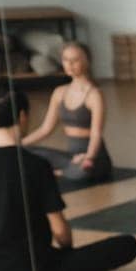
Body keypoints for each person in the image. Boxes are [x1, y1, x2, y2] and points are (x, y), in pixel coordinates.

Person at [0, 86, 136, 271]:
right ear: (22, 116)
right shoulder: (35, 165)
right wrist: (69, 254)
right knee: (128, 244)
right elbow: (60, 230)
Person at [19, 41, 113, 183]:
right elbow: (45, 129)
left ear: (87, 61)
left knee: (84, 169)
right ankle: (61, 171)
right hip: (70, 157)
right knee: (22, 153)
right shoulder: (59, 92)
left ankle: (59, 172)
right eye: (65, 60)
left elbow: (96, 133)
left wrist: (89, 156)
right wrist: (17, 144)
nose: (69, 64)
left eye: (75, 60)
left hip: (93, 158)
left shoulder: (94, 95)